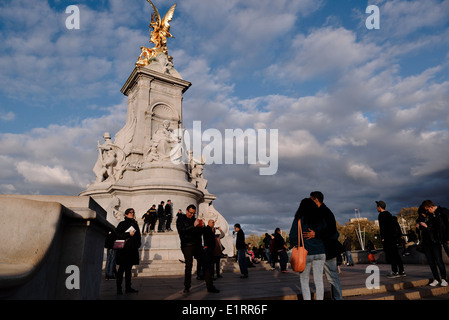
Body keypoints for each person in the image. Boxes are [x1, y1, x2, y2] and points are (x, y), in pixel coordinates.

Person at [304, 191, 344, 300]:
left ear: (316, 200)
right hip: (321, 249)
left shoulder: (325, 212)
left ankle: (338, 298)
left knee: (332, 276)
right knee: (328, 277)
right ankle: (337, 297)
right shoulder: (320, 212)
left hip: (328, 249)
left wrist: (315, 234)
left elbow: (331, 231)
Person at [176, 204, 219, 293]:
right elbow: (182, 231)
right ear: (187, 211)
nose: (192, 215)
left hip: (197, 245)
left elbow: (200, 233)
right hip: (187, 245)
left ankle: (210, 287)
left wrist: (203, 227)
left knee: (206, 264)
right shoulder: (180, 219)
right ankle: (187, 287)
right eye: (191, 213)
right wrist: (194, 226)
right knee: (189, 265)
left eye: (193, 213)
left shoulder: (195, 220)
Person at [289, 198, 327, 300]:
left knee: (304, 280)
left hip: (305, 254)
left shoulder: (299, 219)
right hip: (320, 252)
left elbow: (292, 236)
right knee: (319, 281)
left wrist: (297, 244)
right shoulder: (321, 217)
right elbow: (327, 233)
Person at [417, 202, 448, 287]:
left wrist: (427, 227)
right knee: (431, 262)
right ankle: (436, 279)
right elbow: (418, 231)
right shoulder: (420, 218)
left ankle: (444, 279)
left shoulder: (433, 216)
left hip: (434, 242)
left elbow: (436, 229)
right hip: (426, 243)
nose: (423, 214)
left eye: (424, 212)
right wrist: (419, 226)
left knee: (439, 261)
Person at [376, 200, 405, 278]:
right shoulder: (389, 214)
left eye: (377, 206)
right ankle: (401, 270)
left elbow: (382, 228)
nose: (376, 208)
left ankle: (394, 271)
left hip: (387, 238)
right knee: (396, 254)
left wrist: (383, 238)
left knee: (391, 255)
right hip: (393, 237)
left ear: (379, 207)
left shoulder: (381, 215)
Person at [115, 208, 141, 294]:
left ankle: (128, 287)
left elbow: (138, 235)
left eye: (133, 212)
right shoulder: (122, 224)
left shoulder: (135, 223)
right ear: (126, 214)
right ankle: (119, 288)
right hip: (124, 249)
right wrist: (128, 234)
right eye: (130, 212)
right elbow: (118, 235)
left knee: (129, 269)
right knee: (121, 269)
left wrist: (138, 243)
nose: (132, 214)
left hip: (132, 249)